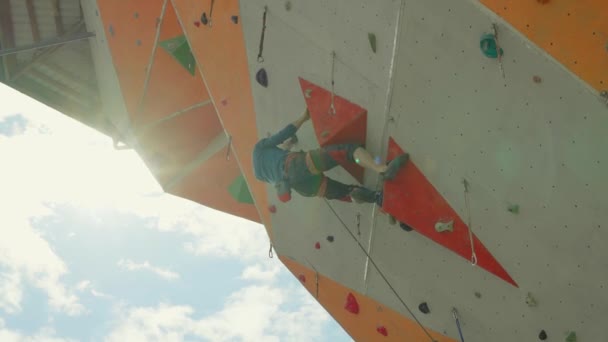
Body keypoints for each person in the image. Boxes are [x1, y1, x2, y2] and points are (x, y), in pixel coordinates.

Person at [252, 108, 409, 204]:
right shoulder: (258, 148)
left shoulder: (260, 175)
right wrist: (303, 117)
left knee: (343, 192)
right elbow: (282, 135)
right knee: (345, 151)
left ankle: (377, 198)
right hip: (297, 165)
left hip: (302, 187)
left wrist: (288, 145)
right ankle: (382, 168)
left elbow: (281, 151)